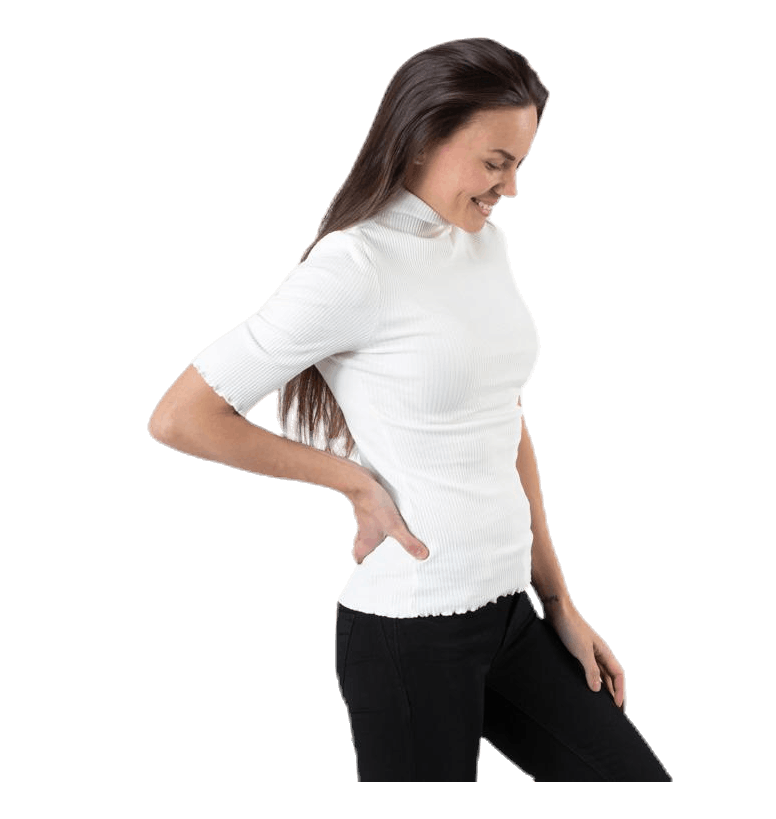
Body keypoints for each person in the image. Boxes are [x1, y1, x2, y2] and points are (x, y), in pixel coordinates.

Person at [148, 38, 672, 783]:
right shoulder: (353, 264)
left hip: (511, 615)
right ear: (424, 138)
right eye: (495, 163)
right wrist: (353, 483)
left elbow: (504, 423)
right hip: (411, 633)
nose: (511, 188)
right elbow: (182, 417)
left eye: (520, 164)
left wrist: (558, 600)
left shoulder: (484, 246)